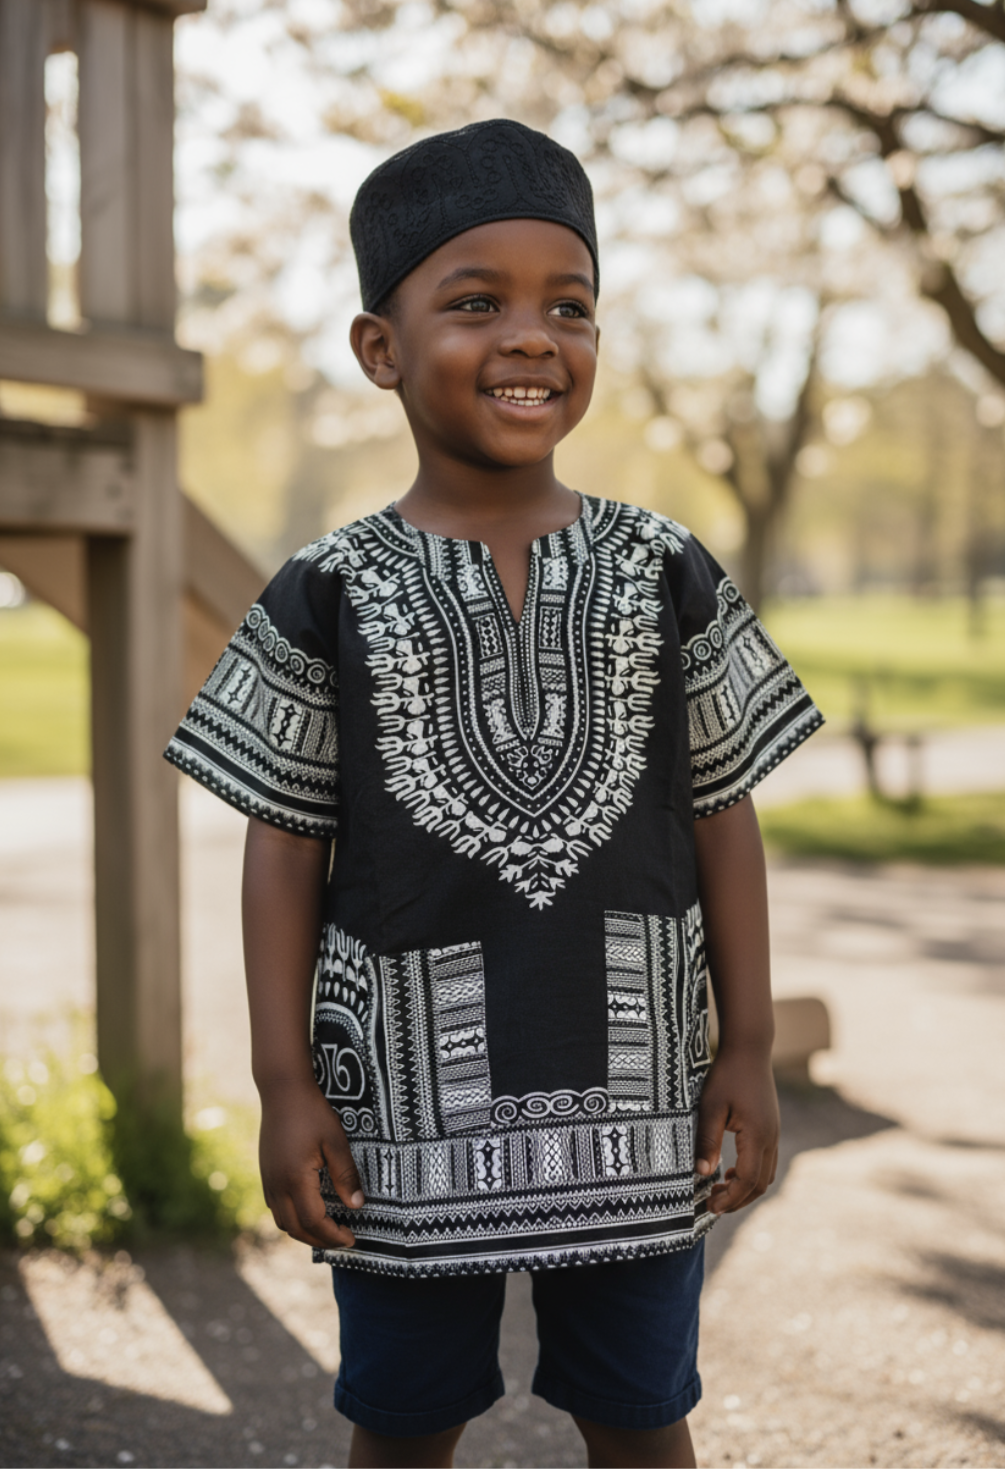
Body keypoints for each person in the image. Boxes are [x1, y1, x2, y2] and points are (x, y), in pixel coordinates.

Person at [165, 119, 823, 1470]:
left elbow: (722, 813)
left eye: (568, 305)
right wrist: (283, 1081)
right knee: (404, 1421)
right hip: (400, 1117)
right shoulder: (324, 590)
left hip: (642, 1097)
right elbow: (281, 846)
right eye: (477, 303)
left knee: (644, 1413)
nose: (534, 336)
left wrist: (746, 1045)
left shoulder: (667, 568)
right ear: (380, 348)